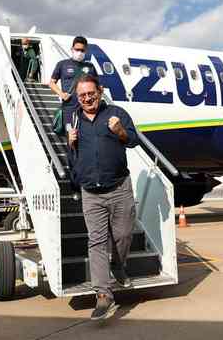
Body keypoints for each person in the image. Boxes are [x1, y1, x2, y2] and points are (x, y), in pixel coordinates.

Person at [67, 74, 139, 321]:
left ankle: (119, 267)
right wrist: (70, 142)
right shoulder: (74, 118)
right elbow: (73, 155)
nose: (87, 98)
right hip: (91, 192)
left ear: (99, 91)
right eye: (82, 95)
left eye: (91, 93)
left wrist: (120, 131)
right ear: (78, 97)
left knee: (123, 235)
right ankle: (103, 294)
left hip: (119, 187)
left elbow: (134, 140)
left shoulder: (116, 113)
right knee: (96, 242)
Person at [50, 36, 98, 130]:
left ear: (85, 51)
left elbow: (98, 86)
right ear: (72, 49)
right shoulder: (62, 64)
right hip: (69, 108)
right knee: (70, 136)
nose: (80, 52)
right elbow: (51, 83)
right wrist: (61, 94)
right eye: (77, 49)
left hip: (87, 108)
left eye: (82, 50)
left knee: (87, 136)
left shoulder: (90, 66)